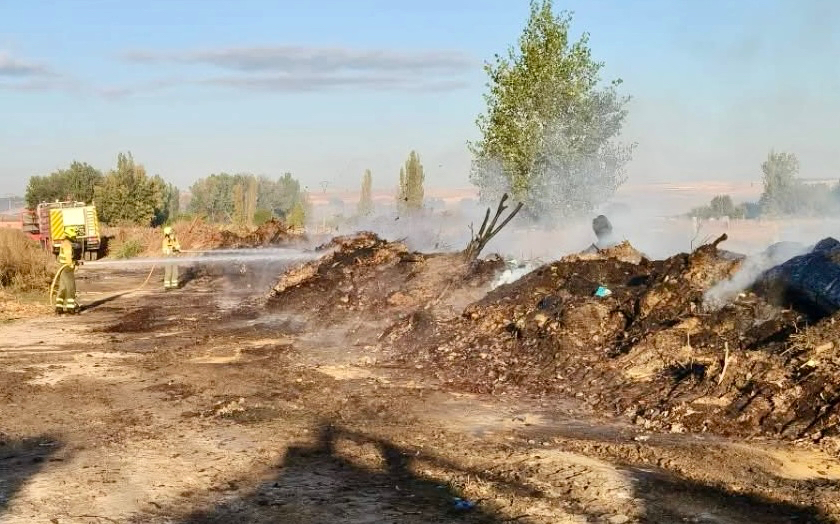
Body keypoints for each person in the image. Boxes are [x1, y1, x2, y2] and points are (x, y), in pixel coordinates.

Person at [55, 227, 82, 314]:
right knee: (71, 288)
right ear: (70, 236)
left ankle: (59, 308)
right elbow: (68, 258)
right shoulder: (68, 244)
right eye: (74, 236)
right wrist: (73, 265)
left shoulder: (64, 243)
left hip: (62, 268)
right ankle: (71, 308)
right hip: (67, 269)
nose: (75, 238)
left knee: (62, 288)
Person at [162, 226, 182, 290]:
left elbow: (178, 246)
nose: (173, 234)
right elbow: (165, 250)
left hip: (175, 257)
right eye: (171, 233)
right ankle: (167, 286)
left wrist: (178, 249)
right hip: (168, 258)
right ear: (167, 235)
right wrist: (169, 250)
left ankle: (174, 285)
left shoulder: (175, 239)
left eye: (173, 233)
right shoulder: (165, 241)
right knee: (168, 272)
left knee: (175, 272)